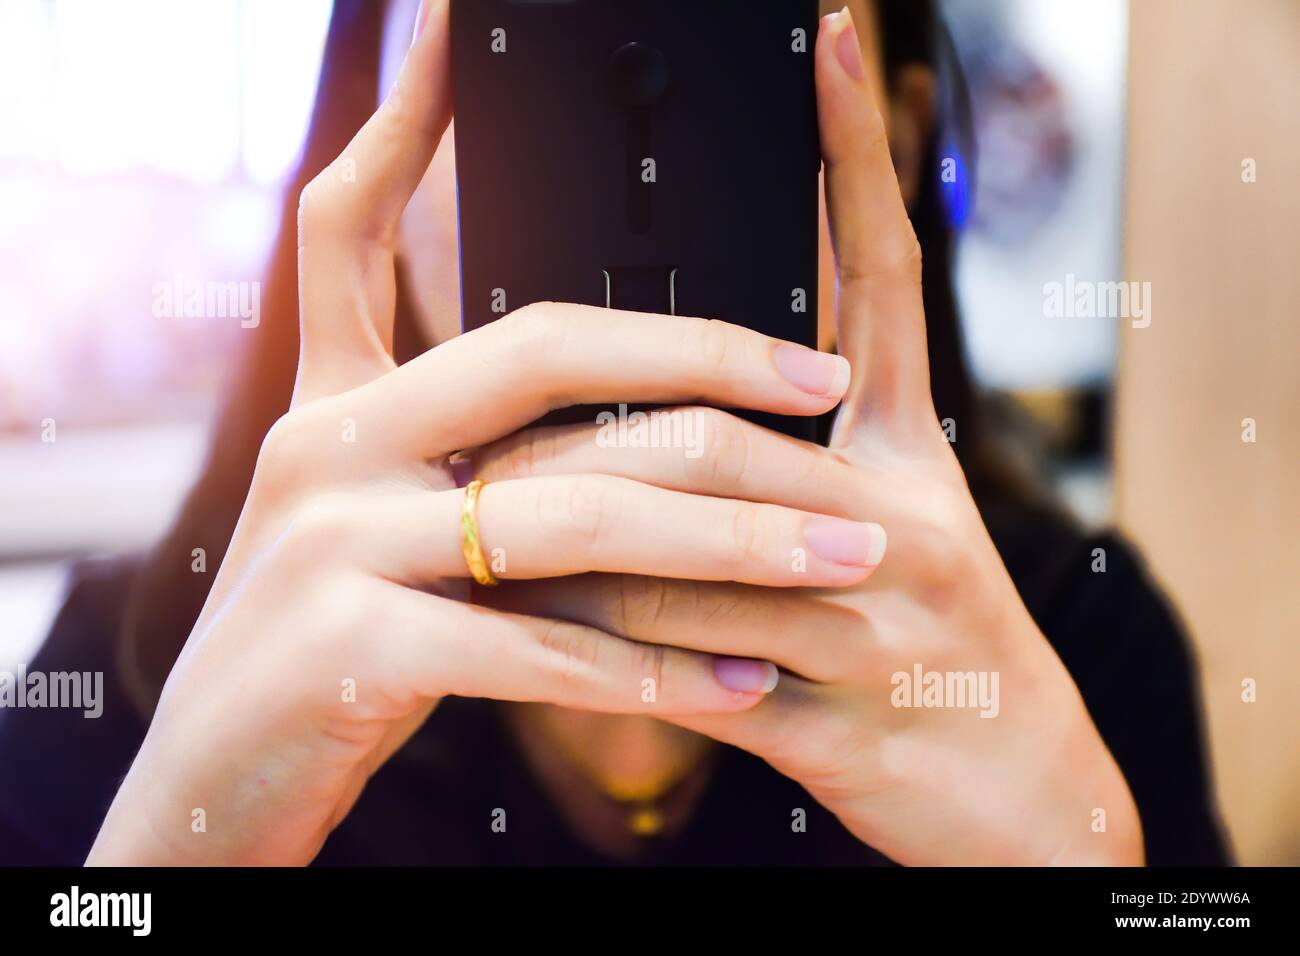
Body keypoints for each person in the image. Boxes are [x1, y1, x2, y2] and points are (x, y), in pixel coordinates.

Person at [0, 0, 1227, 866]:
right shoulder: (147, 670)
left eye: (727, 37)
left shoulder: (1071, 651)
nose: (631, 135)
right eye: (512, 45)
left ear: (896, 142)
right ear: (363, 149)